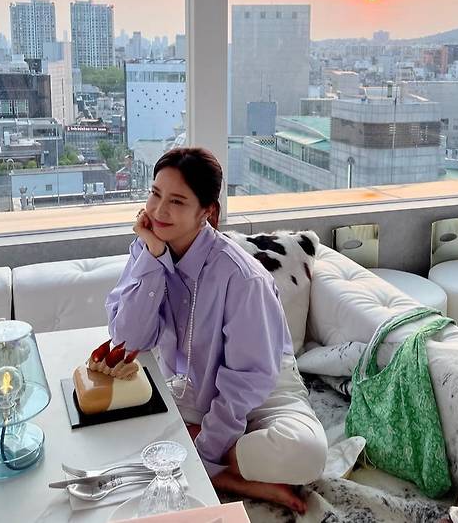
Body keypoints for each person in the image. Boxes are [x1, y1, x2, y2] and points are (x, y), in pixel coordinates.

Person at [106, 147, 327, 513]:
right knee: (110, 435)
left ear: (206, 211)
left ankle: (202, 459)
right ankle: (232, 477)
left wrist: (205, 450)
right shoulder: (147, 250)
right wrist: (153, 258)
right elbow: (128, 340)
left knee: (306, 452)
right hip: (189, 388)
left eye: (177, 201)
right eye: (155, 194)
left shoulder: (242, 277)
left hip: (264, 387)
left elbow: (248, 380)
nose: (159, 211)